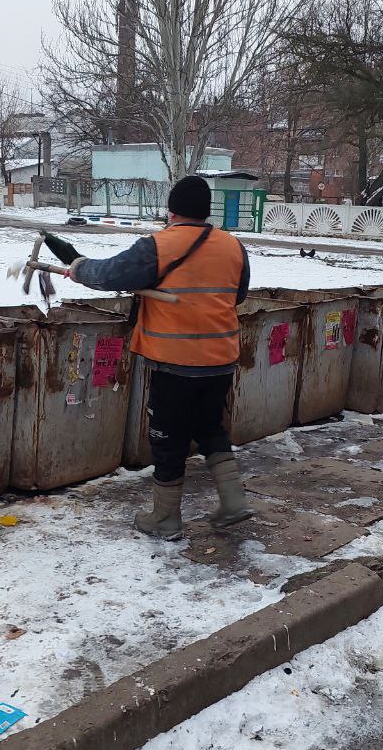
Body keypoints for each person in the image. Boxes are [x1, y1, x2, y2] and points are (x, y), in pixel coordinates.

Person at [66, 174, 253, 539]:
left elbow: (108, 275)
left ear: (171, 211)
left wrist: (78, 268)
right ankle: (233, 501)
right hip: (220, 359)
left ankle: (165, 518)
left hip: (175, 361)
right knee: (211, 426)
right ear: (206, 210)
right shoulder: (233, 247)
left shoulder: (158, 246)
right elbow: (239, 296)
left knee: (167, 436)